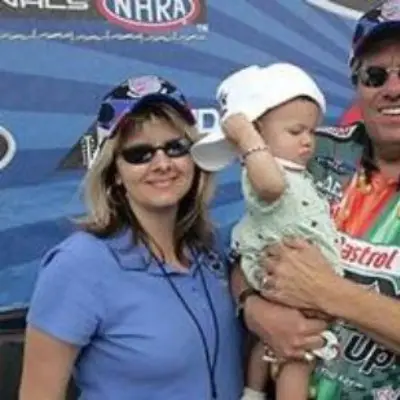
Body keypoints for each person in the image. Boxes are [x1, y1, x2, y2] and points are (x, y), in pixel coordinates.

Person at [18, 75, 243, 400]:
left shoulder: (211, 248)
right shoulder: (78, 265)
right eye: (140, 154)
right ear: (114, 173)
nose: (162, 163)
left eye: (176, 147)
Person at [233, 1, 400, 399]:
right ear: (357, 84)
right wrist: (254, 308)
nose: (393, 89)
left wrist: (326, 291)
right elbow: (245, 251)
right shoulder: (311, 152)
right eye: (375, 76)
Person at [191, 63, 341, 400]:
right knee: (297, 356)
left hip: (303, 281)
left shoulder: (296, 171)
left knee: (272, 342)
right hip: (291, 282)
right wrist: (247, 138)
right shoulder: (265, 172)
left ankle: (253, 390)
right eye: (295, 131)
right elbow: (272, 186)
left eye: (311, 132)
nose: (308, 141)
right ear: (258, 132)